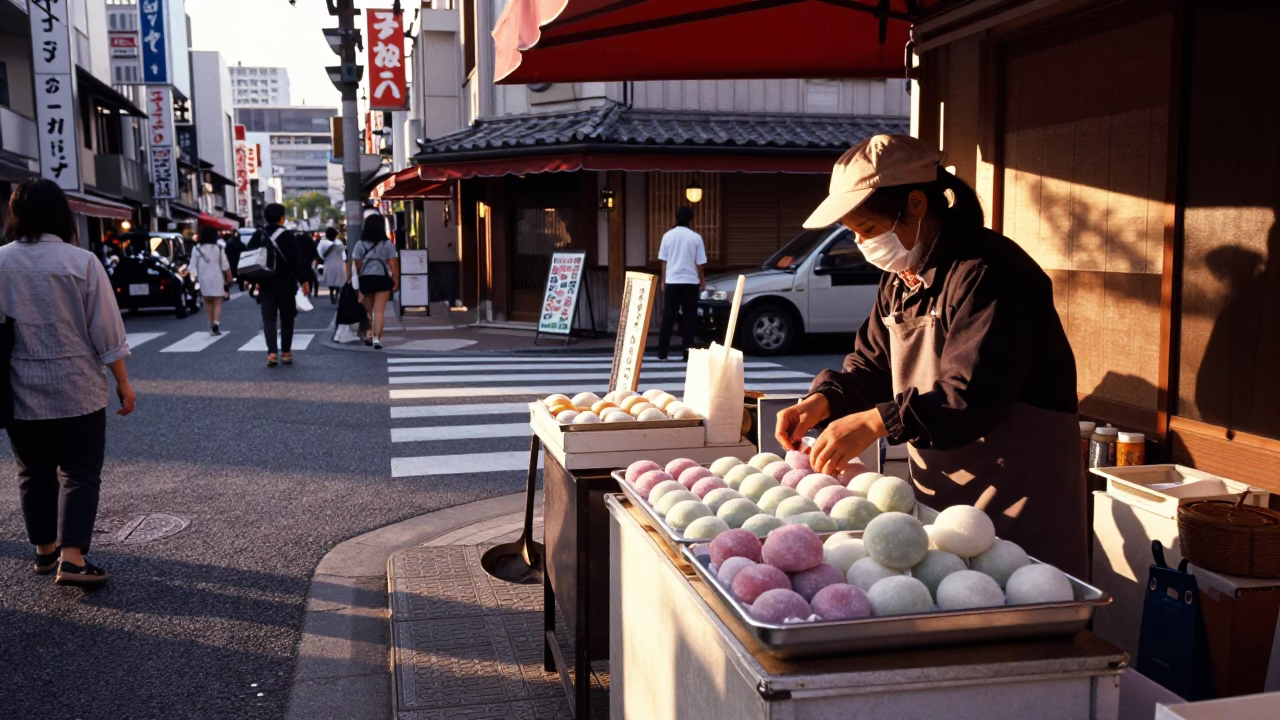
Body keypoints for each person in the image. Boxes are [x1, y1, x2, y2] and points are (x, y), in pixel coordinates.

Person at [774, 134, 1086, 578]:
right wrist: (826, 399)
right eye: (855, 233)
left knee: (1022, 603)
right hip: (944, 493)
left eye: (867, 229)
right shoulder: (903, 279)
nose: (863, 244)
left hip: (1020, 491)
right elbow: (871, 364)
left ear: (916, 204)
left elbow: (970, 394)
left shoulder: (989, 272)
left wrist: (874, 422)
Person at [0, 179, 136, 587]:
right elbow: (107, 331)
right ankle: (73, 558)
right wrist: (123, 384)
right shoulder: (81, 262)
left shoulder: (1, 261)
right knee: (79, 472)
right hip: (77, 385)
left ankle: (45, 552)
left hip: (19, 387)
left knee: (32, 471)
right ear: (63, 214)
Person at [245, 203, 313, 367]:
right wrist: (304, 279)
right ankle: (286, 353)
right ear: (282, 218)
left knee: (269, 320)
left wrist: (252, 280)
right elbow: (298, 260)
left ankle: (272, 354)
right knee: (287, 319)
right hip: (286, 284)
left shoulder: (258, 235)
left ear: (265, 217)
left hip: (265, 283)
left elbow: (249, 257)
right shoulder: (288, 236)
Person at [656, 206, 707, 361]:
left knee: (668, 317)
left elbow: (664, 261)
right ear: (691, 220)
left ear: (676, 218)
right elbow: (700, 263)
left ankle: (662, 352)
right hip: (690, 282)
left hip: (672, 281)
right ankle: (687, 353)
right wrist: (702, 280)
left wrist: (663, 280)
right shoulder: (696, 237)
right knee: (689, 318)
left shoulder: (667, 236)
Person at [351, 214, 398, 350]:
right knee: (379, 311)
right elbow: (393, 263)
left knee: (368, 310)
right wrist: (396, 279)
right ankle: (377, 338)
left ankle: (369, 334)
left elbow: (357, 264)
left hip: (366, 279)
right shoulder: (387, 244)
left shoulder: (360, 244)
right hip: (382, 279)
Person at [190, 227, 232, 334]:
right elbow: (225, 264)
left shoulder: (196, 249)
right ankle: (216, 323)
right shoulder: (219, 248)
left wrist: (194, 278)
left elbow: (192, 266)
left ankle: (211, 324)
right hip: (217, 277)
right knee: (218, 301)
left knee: (208, 301)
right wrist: (229, 276)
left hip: (203, 278)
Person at [319, 226, 347, 304]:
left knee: (330, 280)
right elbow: (343, 254)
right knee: (338, 280)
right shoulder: (339, 243)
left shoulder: (324, 243)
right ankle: (337, 293)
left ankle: (331, 293)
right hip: (338, 263)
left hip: (329, 264)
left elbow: (321, 254)